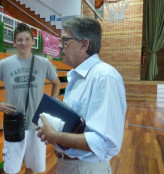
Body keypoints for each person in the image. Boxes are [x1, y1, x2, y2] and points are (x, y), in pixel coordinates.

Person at [36, 17, 127, 174]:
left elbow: (102, 142)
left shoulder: (104, 76)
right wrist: (52, 130)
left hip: (86, 168)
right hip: (69, 165)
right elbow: (78, 126)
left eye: (65, 41)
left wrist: (56, 136)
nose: (59, 45)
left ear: (84, 45)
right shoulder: (76, 76)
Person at [0, 23, 61, 174]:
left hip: (36, 124)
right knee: (11, 169)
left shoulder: (44, 63)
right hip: (13, 123)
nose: (24, 43)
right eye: (20, 40)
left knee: (32, 167)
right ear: (14, 42)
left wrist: (50, 105)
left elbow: (57, 83)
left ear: (33, 42)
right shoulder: (4, 64)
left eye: (27, 39)